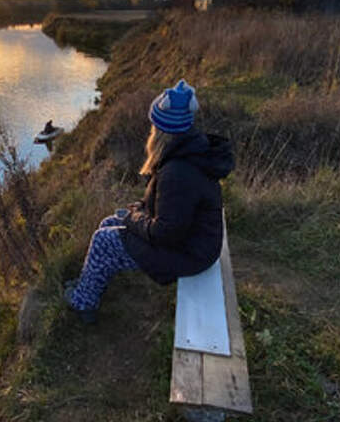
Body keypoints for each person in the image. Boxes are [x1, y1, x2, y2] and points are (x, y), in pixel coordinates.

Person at [65, 78, 234, 323]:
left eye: (153, 125)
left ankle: (83, 304)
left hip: (191, 254)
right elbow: (168, 211)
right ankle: (87, 284)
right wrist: (138, 212)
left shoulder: (178, 172)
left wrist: (133, 217)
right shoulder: (186, 152)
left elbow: (165, 232)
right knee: (107, 223)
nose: (150, 130)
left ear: (162, 130)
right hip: (193, 242)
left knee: (104, 240)